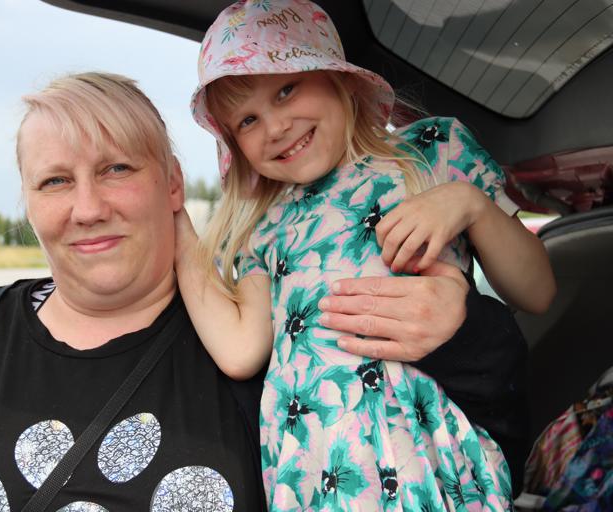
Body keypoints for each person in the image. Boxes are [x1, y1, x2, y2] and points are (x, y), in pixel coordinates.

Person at [0, 72, 527, 510]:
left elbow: (482, 424)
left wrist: (464, 329)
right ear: (27, 205)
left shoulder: (276, 337)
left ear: (173, 184)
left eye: (117, 169)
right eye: (54, 181)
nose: (88, 208)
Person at [175, 1, 555, 510]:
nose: (275, 127)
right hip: (319, 470)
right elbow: (241, 350)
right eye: (247, 120)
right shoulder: (261, 227)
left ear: (338, 78)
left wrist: (472, 206)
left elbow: (537, 292)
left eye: (287, 89)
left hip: (426, 457)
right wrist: (176, 226)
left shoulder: (431, 152)